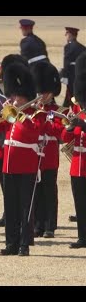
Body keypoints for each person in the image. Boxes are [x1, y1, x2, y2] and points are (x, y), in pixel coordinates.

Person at [0, 63, 62, 256]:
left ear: (26, 97)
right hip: (8, 165)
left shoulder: (37, 115)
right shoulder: (10, 114)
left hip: (26, 165)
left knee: (24, 207)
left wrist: (18, 114)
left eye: (17, 96)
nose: (13, 99)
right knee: (10, 206)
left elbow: (31, 134)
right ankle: (11, 243)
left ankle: (23, 244)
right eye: (13, 96)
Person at [31, 62, 68, 239]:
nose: (41, 95)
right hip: (34, 154)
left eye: (44, 92)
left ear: (52, 93)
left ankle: (50, 225)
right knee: (36, 190)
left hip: (50, 154)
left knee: (49, 190)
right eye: (40, 92)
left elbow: (59, 131)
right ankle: (38, 224)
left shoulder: (59, 111)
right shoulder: (34, 110)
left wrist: (45, 120)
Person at [0, 54, 29, 228]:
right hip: (1, 145)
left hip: (18, 148)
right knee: (6, 185)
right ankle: (9, 214)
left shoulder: (23, 94)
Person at [61, 52, 86, 249]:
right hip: (77, 164)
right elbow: (65, 139)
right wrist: (70, 126)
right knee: (80, 204)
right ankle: (82, 237)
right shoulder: (78, 111)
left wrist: (83, 125)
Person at [60, 27, 86, 108]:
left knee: (70, 93)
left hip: (71, 73)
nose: (66, 36)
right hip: (81, 73)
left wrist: (64, 75)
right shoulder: (82, 47)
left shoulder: (68, 46)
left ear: (70, 35)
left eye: (67, 34)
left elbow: (66, 62)